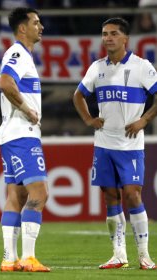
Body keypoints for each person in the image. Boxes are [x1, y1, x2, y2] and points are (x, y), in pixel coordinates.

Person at [73, 17, 157, 270]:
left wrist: (144, 119)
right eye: (104, 33)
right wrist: (88, 118)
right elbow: (78, 95)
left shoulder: (142, 66)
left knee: (132, 195)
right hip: (104, 144)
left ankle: (144, 255)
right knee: (111, 196)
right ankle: (118, 254)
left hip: (130, 145)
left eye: (113, 33)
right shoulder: (97, 67)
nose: (107, 38)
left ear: (125, 39)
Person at [0, 8, 50, 273]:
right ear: (22, 28)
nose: (41, 27)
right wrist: (28, 110)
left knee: (15, 195)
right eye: (36, 23)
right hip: (22, 134)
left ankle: (9, 258)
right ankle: (28, 257)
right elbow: (5, 82)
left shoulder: (22, 56)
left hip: (9, 135)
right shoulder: (18, 53)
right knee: (39, 193)